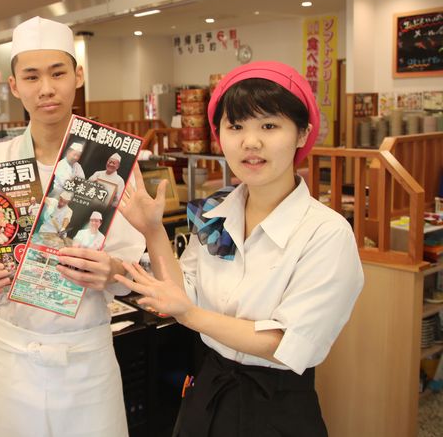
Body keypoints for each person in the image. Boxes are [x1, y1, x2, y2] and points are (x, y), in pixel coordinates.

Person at [114, 61, 364, 437]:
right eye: (236, 127)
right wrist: (153, 231)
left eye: (269, 126)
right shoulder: (215, 212)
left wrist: (190, 315)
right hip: (207, 391)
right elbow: (183, 292)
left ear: (302, 133)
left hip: (276, 407)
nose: (250, 142)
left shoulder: (326, 233)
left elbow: (285, 344)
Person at [0, 16, 146, 437]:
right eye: (32, 76)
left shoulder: (111, 165)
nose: (46, 88)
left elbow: (136, 268)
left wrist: (113, 271)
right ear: (14, 86)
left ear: (78, 76)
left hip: (87, 355)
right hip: (12, 355)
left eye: (58, 73)